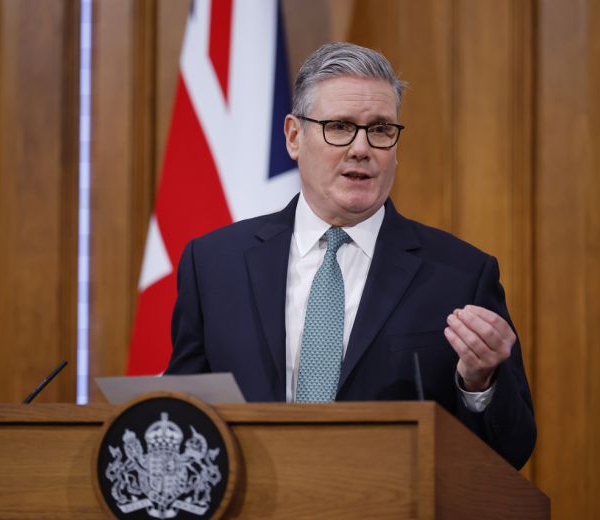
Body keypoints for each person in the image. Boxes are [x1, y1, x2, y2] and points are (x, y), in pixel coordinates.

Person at [166, 42, 536, 469]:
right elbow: (181, 414)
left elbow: (513, 450)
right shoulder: (214, 264)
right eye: (339, 127)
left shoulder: (460, 275)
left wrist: (479, 384)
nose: (362, 148)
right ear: (294, 137)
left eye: (380, 130)